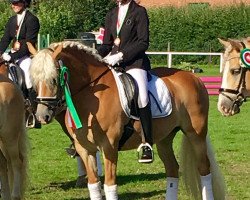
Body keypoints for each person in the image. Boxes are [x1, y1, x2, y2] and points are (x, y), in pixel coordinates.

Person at [98, 0, 153, 163]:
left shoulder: (139, 12)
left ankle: (147, 143)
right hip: (113, 63)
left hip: (134, 63)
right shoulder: (111, 14)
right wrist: (93, 54)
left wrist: (121, 55)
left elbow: (143, 42)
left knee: (142, 95)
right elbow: (107, 44)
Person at [0, 0, 40, 128]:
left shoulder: (32, 20)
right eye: (12, 3)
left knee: (28, 77)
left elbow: (29, 43)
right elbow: (6, 39)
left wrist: (11, 56)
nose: (14, 5)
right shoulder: (12, 20)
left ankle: (33, 112)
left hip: (25, 55)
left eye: (17, 3)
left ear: (24, 3)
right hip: (12, 53)